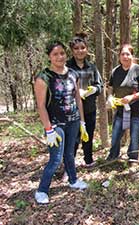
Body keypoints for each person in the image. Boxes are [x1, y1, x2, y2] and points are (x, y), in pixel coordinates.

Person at [34, 41, 89, 204]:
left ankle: (73, 180)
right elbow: (41, 106)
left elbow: (78, 98)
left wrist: (82, 122)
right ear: (49, 57)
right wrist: (48, 129)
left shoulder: (73, 74)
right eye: (55, 54)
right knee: (56, 159)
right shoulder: (44, 77)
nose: (60, 57)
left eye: (62, 53)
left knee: (70, 154)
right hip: (55, 124)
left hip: (73, 120)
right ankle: (42, 190)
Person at [67, 32, 103, 167]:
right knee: (73, 138)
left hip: (89, 108)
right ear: (72, 50)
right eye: (76, 48)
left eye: (82, 47)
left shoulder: (92, 67)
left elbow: (100, 86)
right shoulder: (67, 67)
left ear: (86, 49)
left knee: (88, 135)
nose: (80, 51)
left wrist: (91, 90)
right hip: (72, 110)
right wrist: (75, 93)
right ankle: (69, 165)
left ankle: (88, 160)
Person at [106, 44, 139, 162]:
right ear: (119, 56)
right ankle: (113, 156)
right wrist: (110, 97)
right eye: (123, 54)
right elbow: (110, 87)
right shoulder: (115, 71)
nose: (125, 57)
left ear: (132, 56)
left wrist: (132, 97)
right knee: (116, 136)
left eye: (128, 54)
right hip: (121, 111)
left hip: (137, 110)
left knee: (135, 137)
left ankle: (132, 158)